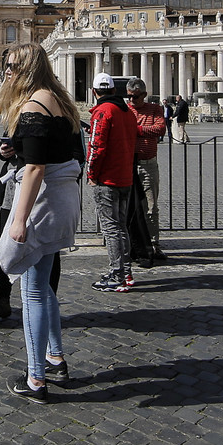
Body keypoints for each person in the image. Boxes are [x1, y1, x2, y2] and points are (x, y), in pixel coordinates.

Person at [0, 42, 83, 403]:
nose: (7, 72)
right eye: (6, 65)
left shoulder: (32, 106)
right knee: (44, 286)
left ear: (28, 69)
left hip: (42, 203)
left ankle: (35, 379)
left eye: (13, 66)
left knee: (31, 291)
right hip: (63, 200)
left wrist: (18, 220)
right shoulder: (56, 100)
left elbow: (34, 168)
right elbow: (47, 151)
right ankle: (56, 358)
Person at [0, 57, 62, 328]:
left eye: (11, 69)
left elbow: (50, 158)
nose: (6, 74)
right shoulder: (18, 105)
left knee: (47, 251)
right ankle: (1, 300)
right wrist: (3, 149)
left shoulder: (44, 105)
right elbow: (9, 141)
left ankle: (44, 307)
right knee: (5, 250)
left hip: (39, 192)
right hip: (13, 187)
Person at [87, 73, 138, 292]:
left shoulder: (102, 112)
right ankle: (126, 273)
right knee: (121, 226)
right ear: (114, 91)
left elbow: (96, 148)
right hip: (125, 176)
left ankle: (116, 275)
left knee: (111, 228)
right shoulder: (128, 113)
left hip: (107, 178)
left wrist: (91, 174)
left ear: (94, 91)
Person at [127, 78, 167, 260]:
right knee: (129, 207)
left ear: (144, 95)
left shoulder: (155, 109)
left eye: (135, 97)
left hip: (148, 163)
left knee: (151, 206)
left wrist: (137, 130)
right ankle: (134, 243)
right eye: (129, 97)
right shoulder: (125, 110)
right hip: (127, 164)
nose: (132, 100)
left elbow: (160, 129)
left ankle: (153, 243)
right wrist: (142, 129)